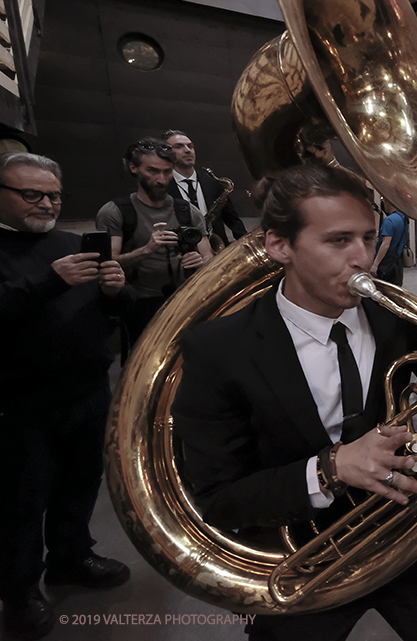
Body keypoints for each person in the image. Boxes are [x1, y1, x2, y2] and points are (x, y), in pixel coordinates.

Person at [171, 162, 417, 641]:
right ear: (278, 245)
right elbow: (217, 500)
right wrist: (330, 467)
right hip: (300, 564)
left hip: (406, 538)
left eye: (368, 238)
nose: (363, 259)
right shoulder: (218, 349)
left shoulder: (397, 317)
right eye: (338, 240)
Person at [0, 152, 134, 640]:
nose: (46, 203)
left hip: (86, 390)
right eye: (31, 194)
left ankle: (71, 558)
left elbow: (114, 313)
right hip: (19, 401)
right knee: (21, 499)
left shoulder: (74, 244)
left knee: (80, 482)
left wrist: (116, 291)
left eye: (54, 195)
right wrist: (50, 281)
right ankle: (18, 591)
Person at [95, 138, 212, 347]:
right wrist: (146, 250)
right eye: (153, 171)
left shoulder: (188, 211)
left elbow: (209, 257)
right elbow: (107, 267)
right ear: (133, 168)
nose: (161, 179)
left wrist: (201, 262)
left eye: (167, 171)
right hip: (141, 304)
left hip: (185, 299)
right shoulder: (116, 212)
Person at [164, 128, 248, 249]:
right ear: (166, 153)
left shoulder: (212, 182)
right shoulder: (163, 186)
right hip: (184, 254)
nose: (187, 150)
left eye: (190, 146)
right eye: (179, 146)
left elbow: (232, 219)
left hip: (218, 250)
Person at [370, 197, 408, 286]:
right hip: (398, 261)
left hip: (387, 262)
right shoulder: (403, 218)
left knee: (384, 291)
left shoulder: (389, 220)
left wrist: (375, 264)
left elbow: (385, 244)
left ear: (389, 202)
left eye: (384, 201)